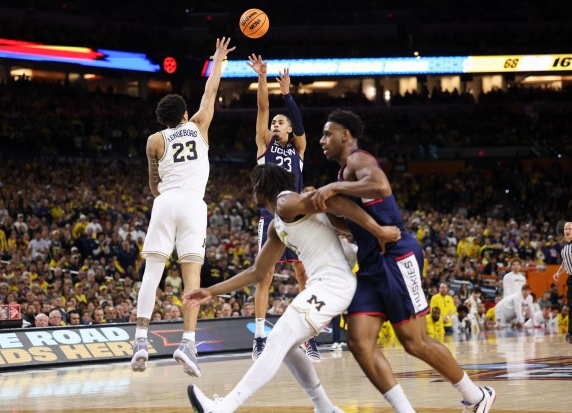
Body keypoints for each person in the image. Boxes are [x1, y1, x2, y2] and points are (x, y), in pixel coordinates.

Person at [312, 109, 495, 413]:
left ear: (345, 135)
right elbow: (354, 226)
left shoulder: (358, 160)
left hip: (397, 254)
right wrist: (326, 214)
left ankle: (476, 396)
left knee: (414, 341)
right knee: (358, 341)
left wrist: (334, 188)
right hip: (371, 264)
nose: (322, 140)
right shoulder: (344, 172)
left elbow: (381, 186)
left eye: (327, 133)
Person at [183, 163, 400, 413]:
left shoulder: (285, 201)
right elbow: (258, 272)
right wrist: (211, 291)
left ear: (260, 186)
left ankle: (224, 408)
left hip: (333, 283)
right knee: (287, 347)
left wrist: (375, 229)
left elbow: (334, 203)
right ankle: (325, 408)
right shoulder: (277, 224)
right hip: (324, 284)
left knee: (277, 340)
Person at [131, 37, 236, 376]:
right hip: (193, 203)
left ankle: (141, 342)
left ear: (163, 119)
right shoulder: (199, 125)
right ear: (186, 114)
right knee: (192, 276)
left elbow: (152, 182)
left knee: (152, 273)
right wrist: (218, 59)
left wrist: (163, 197)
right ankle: (188, 344)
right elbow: (211, 90)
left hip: (164, 201)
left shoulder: (154, 140)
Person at [246, 55, 317, 361]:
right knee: (266, 275)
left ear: (289, 130)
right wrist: (262, 78)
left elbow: (300, 125)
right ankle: (260, 338)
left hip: (298, 218)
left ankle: (307, 337)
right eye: (274, 122)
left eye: (281, 121)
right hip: (271, 216)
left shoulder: (299, 149)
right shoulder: (264, 144)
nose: (275, 123)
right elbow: (262, 108)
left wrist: (288, 94)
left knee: (304, 275)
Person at [552, 221, 572, 347]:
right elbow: (565, 262)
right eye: (565, 229)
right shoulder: (563, 247)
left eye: (570, 228)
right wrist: (558, 272)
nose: (567, 230)